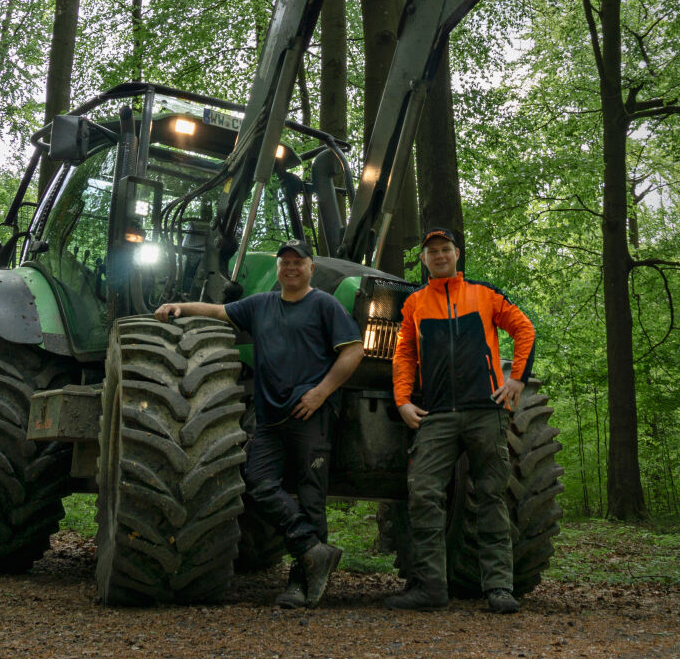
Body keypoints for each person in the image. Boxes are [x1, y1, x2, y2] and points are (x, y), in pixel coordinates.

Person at [155, 239, 363, 609]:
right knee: (256, 481)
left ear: (311, 268)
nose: (291, 267)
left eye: (298, 262)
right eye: (285, 262)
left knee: (312, 497)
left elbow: (354, 350)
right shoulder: (262, 304)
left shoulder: (324, 305)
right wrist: (180, 307)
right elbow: (218, 311)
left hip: (309, 416)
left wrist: (321, 393)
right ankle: (313, 549)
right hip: (269, 419)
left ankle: (301, 584)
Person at [384, 227, 535, 613]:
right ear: (424, 259)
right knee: (423, 493)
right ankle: (431, 587)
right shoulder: (415, 303)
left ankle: (499, 588)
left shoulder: (484, 294)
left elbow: (524, 329)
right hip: (436, 415)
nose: (439, 255)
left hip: (486, 411)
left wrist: (516, 378)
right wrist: (402, 400)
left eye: (445, 249)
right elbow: (404, 356)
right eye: (432, 250)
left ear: (456, 254)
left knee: (491, 496)